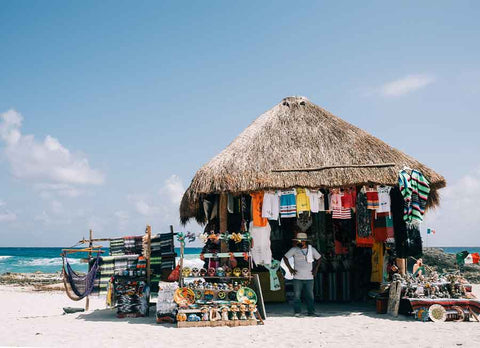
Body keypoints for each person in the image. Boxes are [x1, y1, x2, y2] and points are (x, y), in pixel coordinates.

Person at [283, 232, 321, 317]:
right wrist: (290, 269)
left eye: (301, 241)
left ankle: (311, 311)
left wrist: (316, 269)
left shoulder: (312, 250)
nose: (299, 242)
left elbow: (319, 258)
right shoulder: (294, 250)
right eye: (298, 241)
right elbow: (285, 258)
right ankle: (297, 312)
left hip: (309, 277)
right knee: (297, 296)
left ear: (305, 241)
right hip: (297, 277)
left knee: (310, 296)